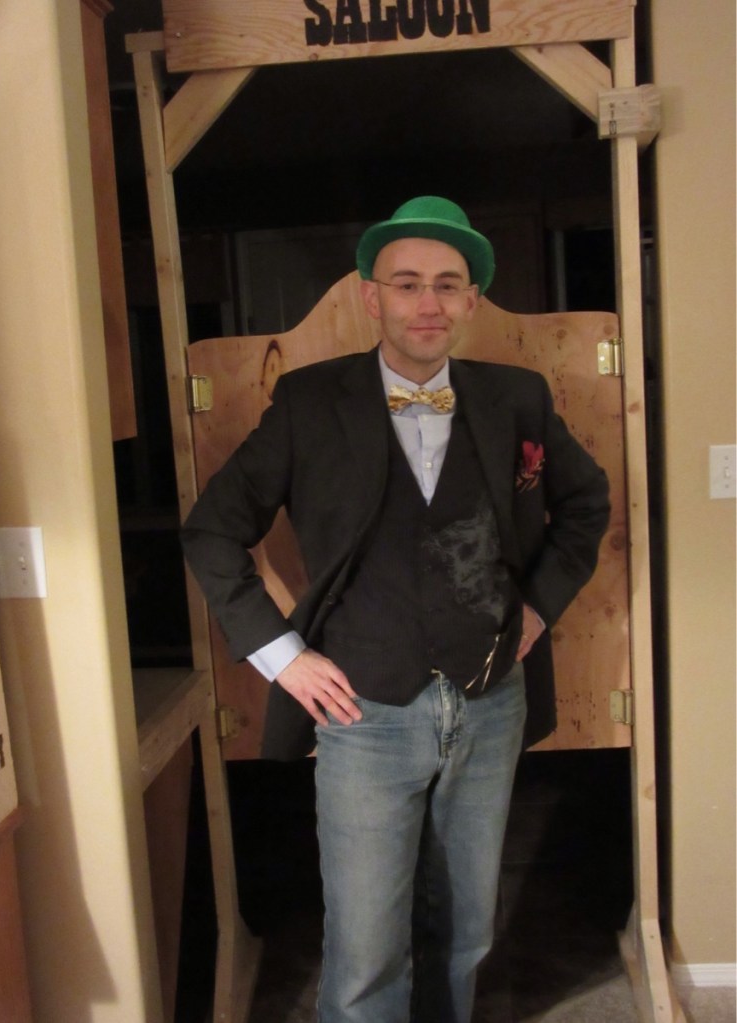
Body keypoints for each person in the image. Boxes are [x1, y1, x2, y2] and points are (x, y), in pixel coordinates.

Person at [181, 195, 610, 1023]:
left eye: (448, 284)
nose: (428, 302)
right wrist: (283, 656)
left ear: (472, 300)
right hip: (363, 709)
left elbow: (585, 506)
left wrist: (538, 607)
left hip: (491, 701)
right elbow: (212, 530)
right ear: (371, 297)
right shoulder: (308, 401)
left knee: (467, 929)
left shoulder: (518, 397)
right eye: (407, 283)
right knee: (366, 949)